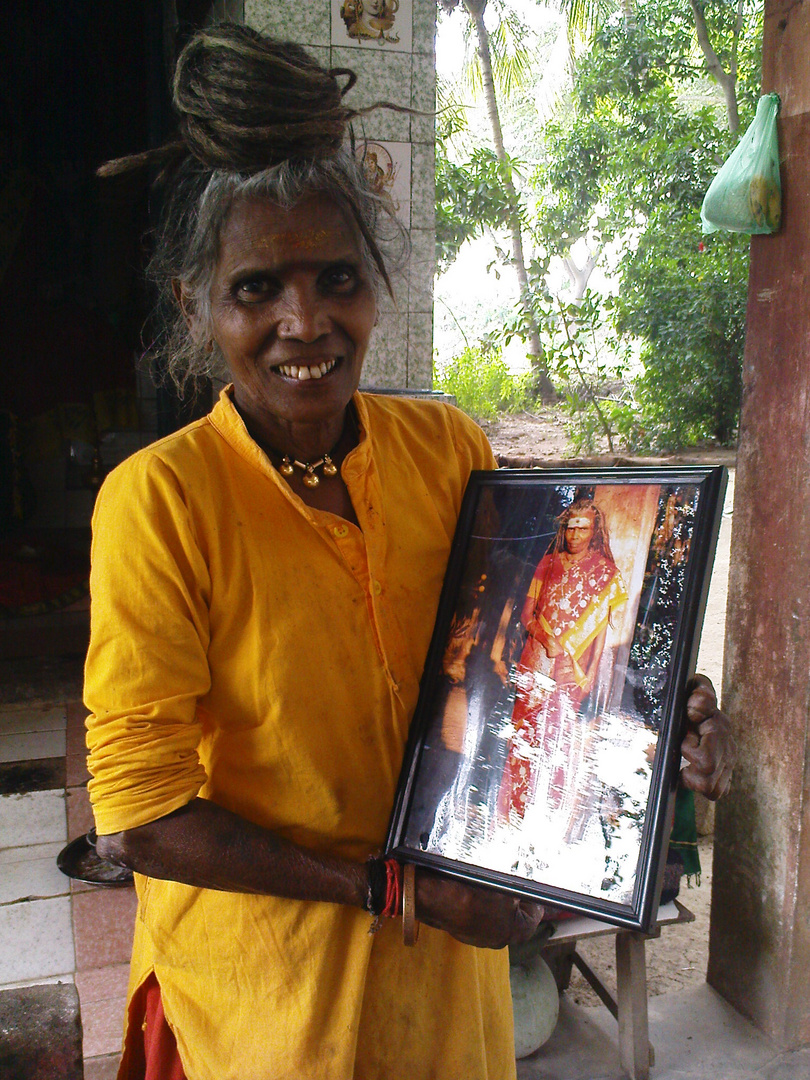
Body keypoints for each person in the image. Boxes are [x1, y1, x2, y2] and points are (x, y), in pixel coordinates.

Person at [84, 24, 735, 1080]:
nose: (306, 323)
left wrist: (642, 713)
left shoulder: (446, 448)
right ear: (195, 307)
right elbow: (143, 812)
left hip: (446, 989)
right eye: (257, 289)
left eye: (337, 278)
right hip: (271, 1006)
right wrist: (390, 888)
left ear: (378, 284)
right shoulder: (159, 502)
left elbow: (529, 660)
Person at [498, 498, 627, 835]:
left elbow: (598, 637)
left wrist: (589, 675)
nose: (574, 533)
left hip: (572, 670)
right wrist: (548, 640)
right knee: (524, 737)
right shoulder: (547, 563)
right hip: (536, 659)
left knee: (558, 743)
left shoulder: (606, 575)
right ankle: (511, 817)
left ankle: (547, 824)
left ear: (595, 531)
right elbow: (527, 614)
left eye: (582, 527)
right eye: (570, 526)